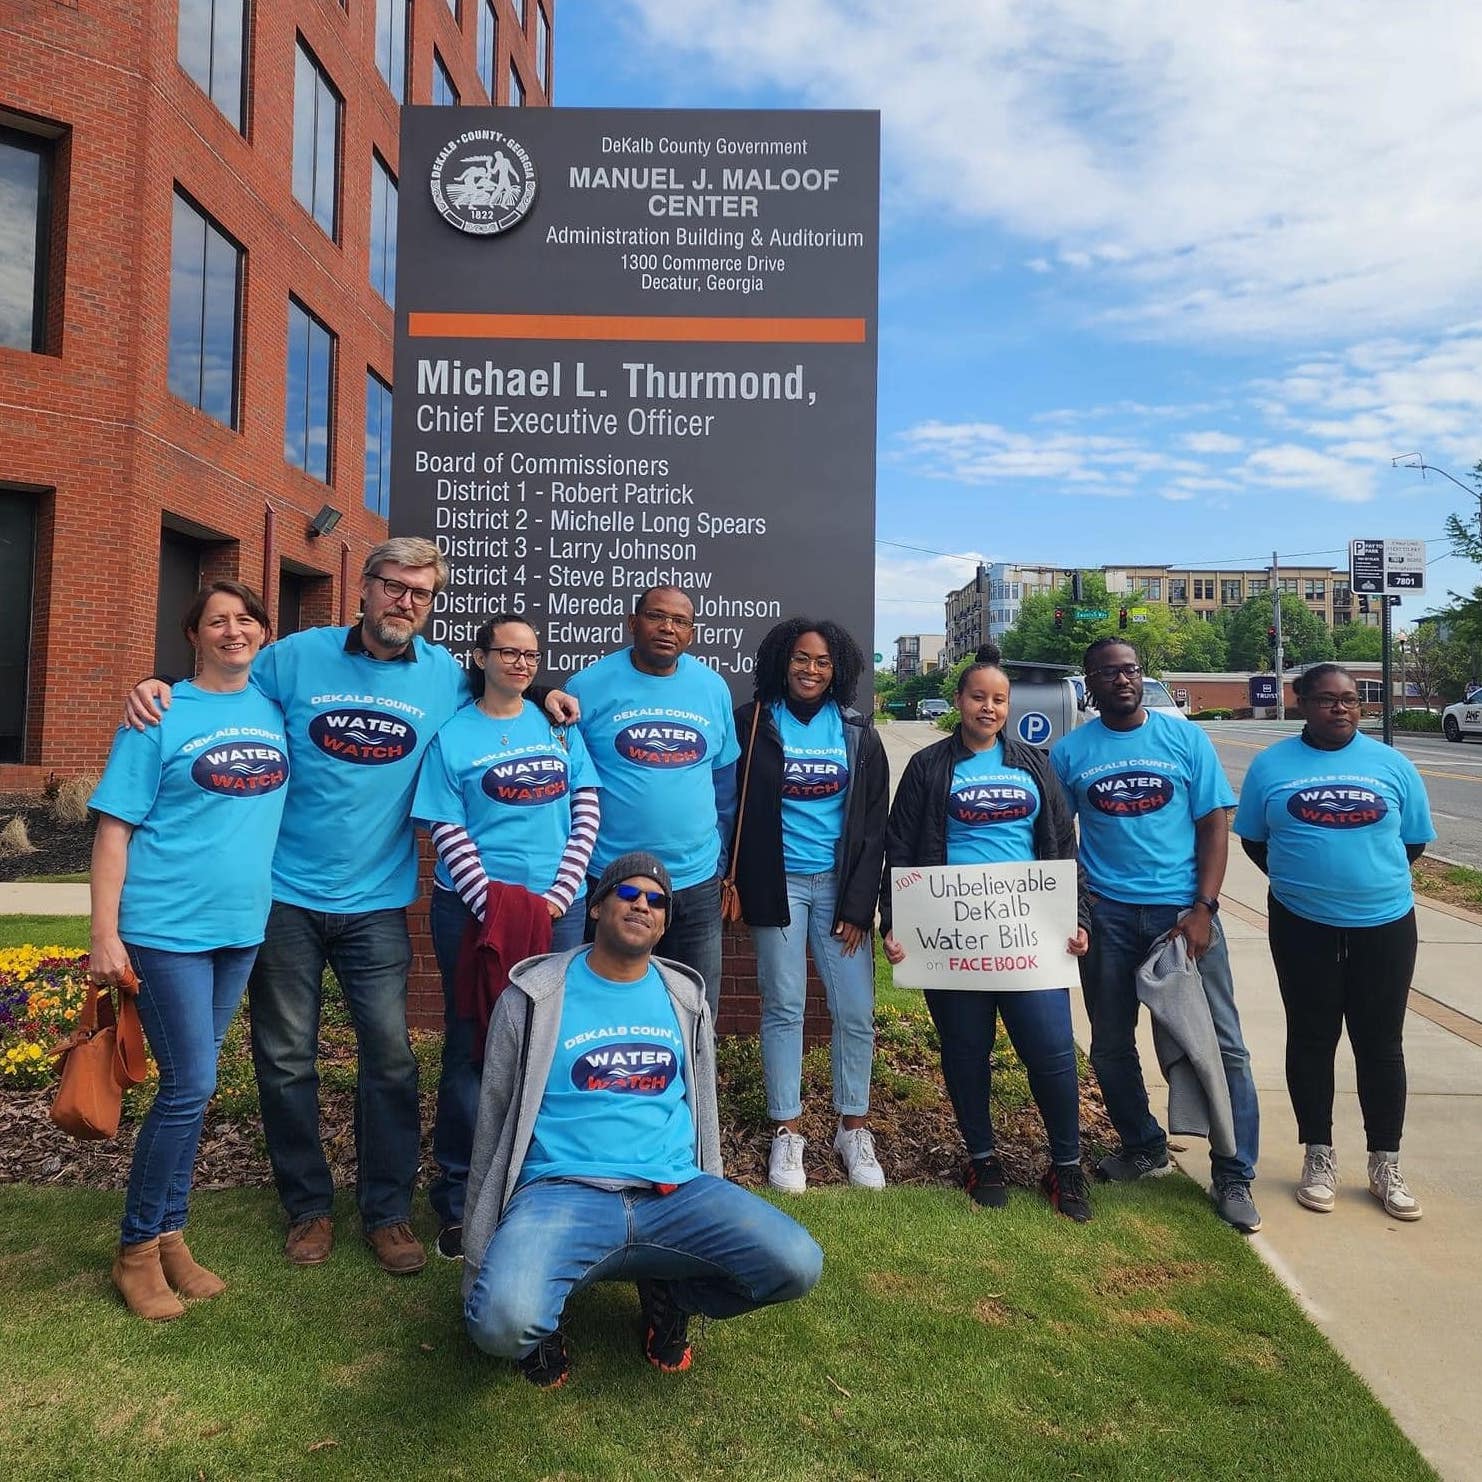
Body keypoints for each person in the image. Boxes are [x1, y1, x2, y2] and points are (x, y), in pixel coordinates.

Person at [124, 538, 577, 1275]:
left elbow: (509, 685)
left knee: (391, 1060)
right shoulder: (296, 657)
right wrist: (156, 684)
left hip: (377, 902)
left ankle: (387, 1212)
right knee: (283, 1059)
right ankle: (307, 1207)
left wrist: (553, 692)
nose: (404, 602)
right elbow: (220, 676)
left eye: (420, 595)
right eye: (392, 587)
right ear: (363, 588)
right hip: (285, 898)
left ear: (431, 607)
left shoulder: (443, 679)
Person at [461, 852, 824, 1389]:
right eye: (628, 894)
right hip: (562, 1192)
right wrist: (480, 1240)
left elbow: (703, 1110)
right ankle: (542, 1326)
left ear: (665, 923)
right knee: (499, 1325)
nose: (642, 905)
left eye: (656, 901)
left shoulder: (685, 1000)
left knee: (797, 1263)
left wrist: (711, 1180)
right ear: (596, 907)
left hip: (672, 1190)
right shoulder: (534, 999)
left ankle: (670, 1293)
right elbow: (492, 1119)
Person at [90, 581, 289, 1319]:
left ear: (263, 634)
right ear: (194, 636)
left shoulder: (275, 708)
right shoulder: (161, 713)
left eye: (245, 620)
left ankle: (171, 1236)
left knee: (191, 1091)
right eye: (217, 621)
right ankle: (136, 1249)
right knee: (188, 1086)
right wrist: (104, 934)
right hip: (165, 927)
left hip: (239, 930)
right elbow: (114, 827)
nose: (232, 631)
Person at [1052, 637, 1262, 1234]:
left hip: (1180, 917)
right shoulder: (1071, 753)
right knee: (1112, 1043)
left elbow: (1214, 827)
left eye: (1132, 670)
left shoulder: (1186, 739)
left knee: (1221, 1044)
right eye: (1109, 673)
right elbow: (1058, 839)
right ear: (1088, 683)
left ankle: (1234, 1170)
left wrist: (1204, 907)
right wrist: (1073, 910)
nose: (1123, 680)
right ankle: (1143, 1145)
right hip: (1108, 916)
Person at [880, 646, 1095, 1221]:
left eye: (999, 699)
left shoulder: (1034, 764)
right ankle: (982, 1157)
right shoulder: (928, 768)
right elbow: (900, 850)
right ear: (959, 701)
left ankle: (1066, 1166)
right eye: (978, 697)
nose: (989, 707)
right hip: (952, 940)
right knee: (966, 1051)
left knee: (1050, 1050)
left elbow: (1063, 846)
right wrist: (895, 923)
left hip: (1028, 939)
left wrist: (1078, 919)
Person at [412, 613, 602, 1259]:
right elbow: (446, 827)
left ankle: (537, 1182)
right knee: (473, 1046)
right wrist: (493, 904)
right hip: (472, 914)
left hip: (560, 910)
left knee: (549, 1045)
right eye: (508, 652)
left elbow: (586, 805)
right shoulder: (454, 734)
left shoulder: (555, 725)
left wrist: (559, 893)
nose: (520, 663)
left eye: (530, 655)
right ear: (482, 656)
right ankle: (461, 1195)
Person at [1233, 663, 1434, 1221]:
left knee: (1380, 1043)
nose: (1341, 708)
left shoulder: (1391, 764)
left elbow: (1412, 841)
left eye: (1350, 699)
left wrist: (1360, 878)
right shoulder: (1272, 765)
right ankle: (1317, 1154)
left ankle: (1385, 1162)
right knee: (1312, 1037)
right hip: (1301, 923)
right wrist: (1305, 880)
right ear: (1301, 703)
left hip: (1385, 921)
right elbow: (1255, 839)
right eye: (1326, 700)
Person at [731, 618, 889, 1193]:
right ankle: (787, 1133)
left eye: (822, 661)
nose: (810, 669)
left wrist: (856, 903)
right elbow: (733, 810)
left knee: (854, 1010)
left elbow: (873, 828)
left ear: (837, 668)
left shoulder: (856, 733)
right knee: (785, 1006)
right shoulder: (752, 723)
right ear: (781, 660)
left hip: (836, 890)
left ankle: (853, 1129)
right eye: (801, 658)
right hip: (779, 887)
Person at [565, 587, 740, 1017]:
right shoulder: (587, 686)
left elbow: (725, 787)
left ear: (691, 633)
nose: (667, 628)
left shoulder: (712, 687)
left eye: (680, 621)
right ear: (632, 622)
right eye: (656, 617)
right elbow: (568, 781)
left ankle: (693, 1087)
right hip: (611, 880)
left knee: (695, 1012)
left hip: (693, 883)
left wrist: (717, 866)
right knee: (603, 1007)